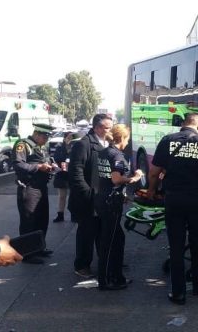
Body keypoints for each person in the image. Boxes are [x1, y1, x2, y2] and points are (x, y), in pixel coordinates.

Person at [147, 113, 198, 305]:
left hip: (174, 199)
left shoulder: (167, 141)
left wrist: (151, 192)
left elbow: (154, 173)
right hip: (197, 200)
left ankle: (178, 292)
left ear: (183, 124)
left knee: (176, 246)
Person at [95, 124, 142, 290]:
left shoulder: (104, 152)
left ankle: (116, 275)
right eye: (127, 139)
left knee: (117, 238)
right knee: (109, 241)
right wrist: (134, 178)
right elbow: (115, 179)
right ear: (121, 138)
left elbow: (105, 178)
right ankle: (107, 279)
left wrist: (122, 194)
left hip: (103, 198)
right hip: (110, 203)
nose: (128, 142)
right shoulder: (117, 155)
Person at [69, 114, 113, 278]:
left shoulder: (108, 143)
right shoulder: (83, 144)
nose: (110, 130)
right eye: (107, 127)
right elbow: (75, 174)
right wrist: (89, 194)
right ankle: (82, 265)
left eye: (111, 127)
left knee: (104, 233)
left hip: (103, 198)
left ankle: (106, 262)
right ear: (97, 128)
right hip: (88, 200)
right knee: (86, 235)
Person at [12, 123, 56, 264]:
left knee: (42, 218)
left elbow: (47, 159)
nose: (46, 140)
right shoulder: (22, 145)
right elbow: (18, 164)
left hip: (41, 187)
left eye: (47, 138)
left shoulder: (41, 146)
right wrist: (38, 167)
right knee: (29, 221)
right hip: (29, 188)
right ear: (36, 134)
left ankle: (39, 248)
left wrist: (52, 164)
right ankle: (27, 254)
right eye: (44, 137)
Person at [52, 132, 75, 222]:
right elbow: (56, 158)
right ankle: (60, 214)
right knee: (62, 196)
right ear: (64, 138)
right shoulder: (59, 147)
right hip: (61, 174)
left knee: (73, 196)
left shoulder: (76, 147)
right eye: (68, 138)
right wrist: (64, 164)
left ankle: (74, 214)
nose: (69, 140)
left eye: (71, 138)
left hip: (72, 174)